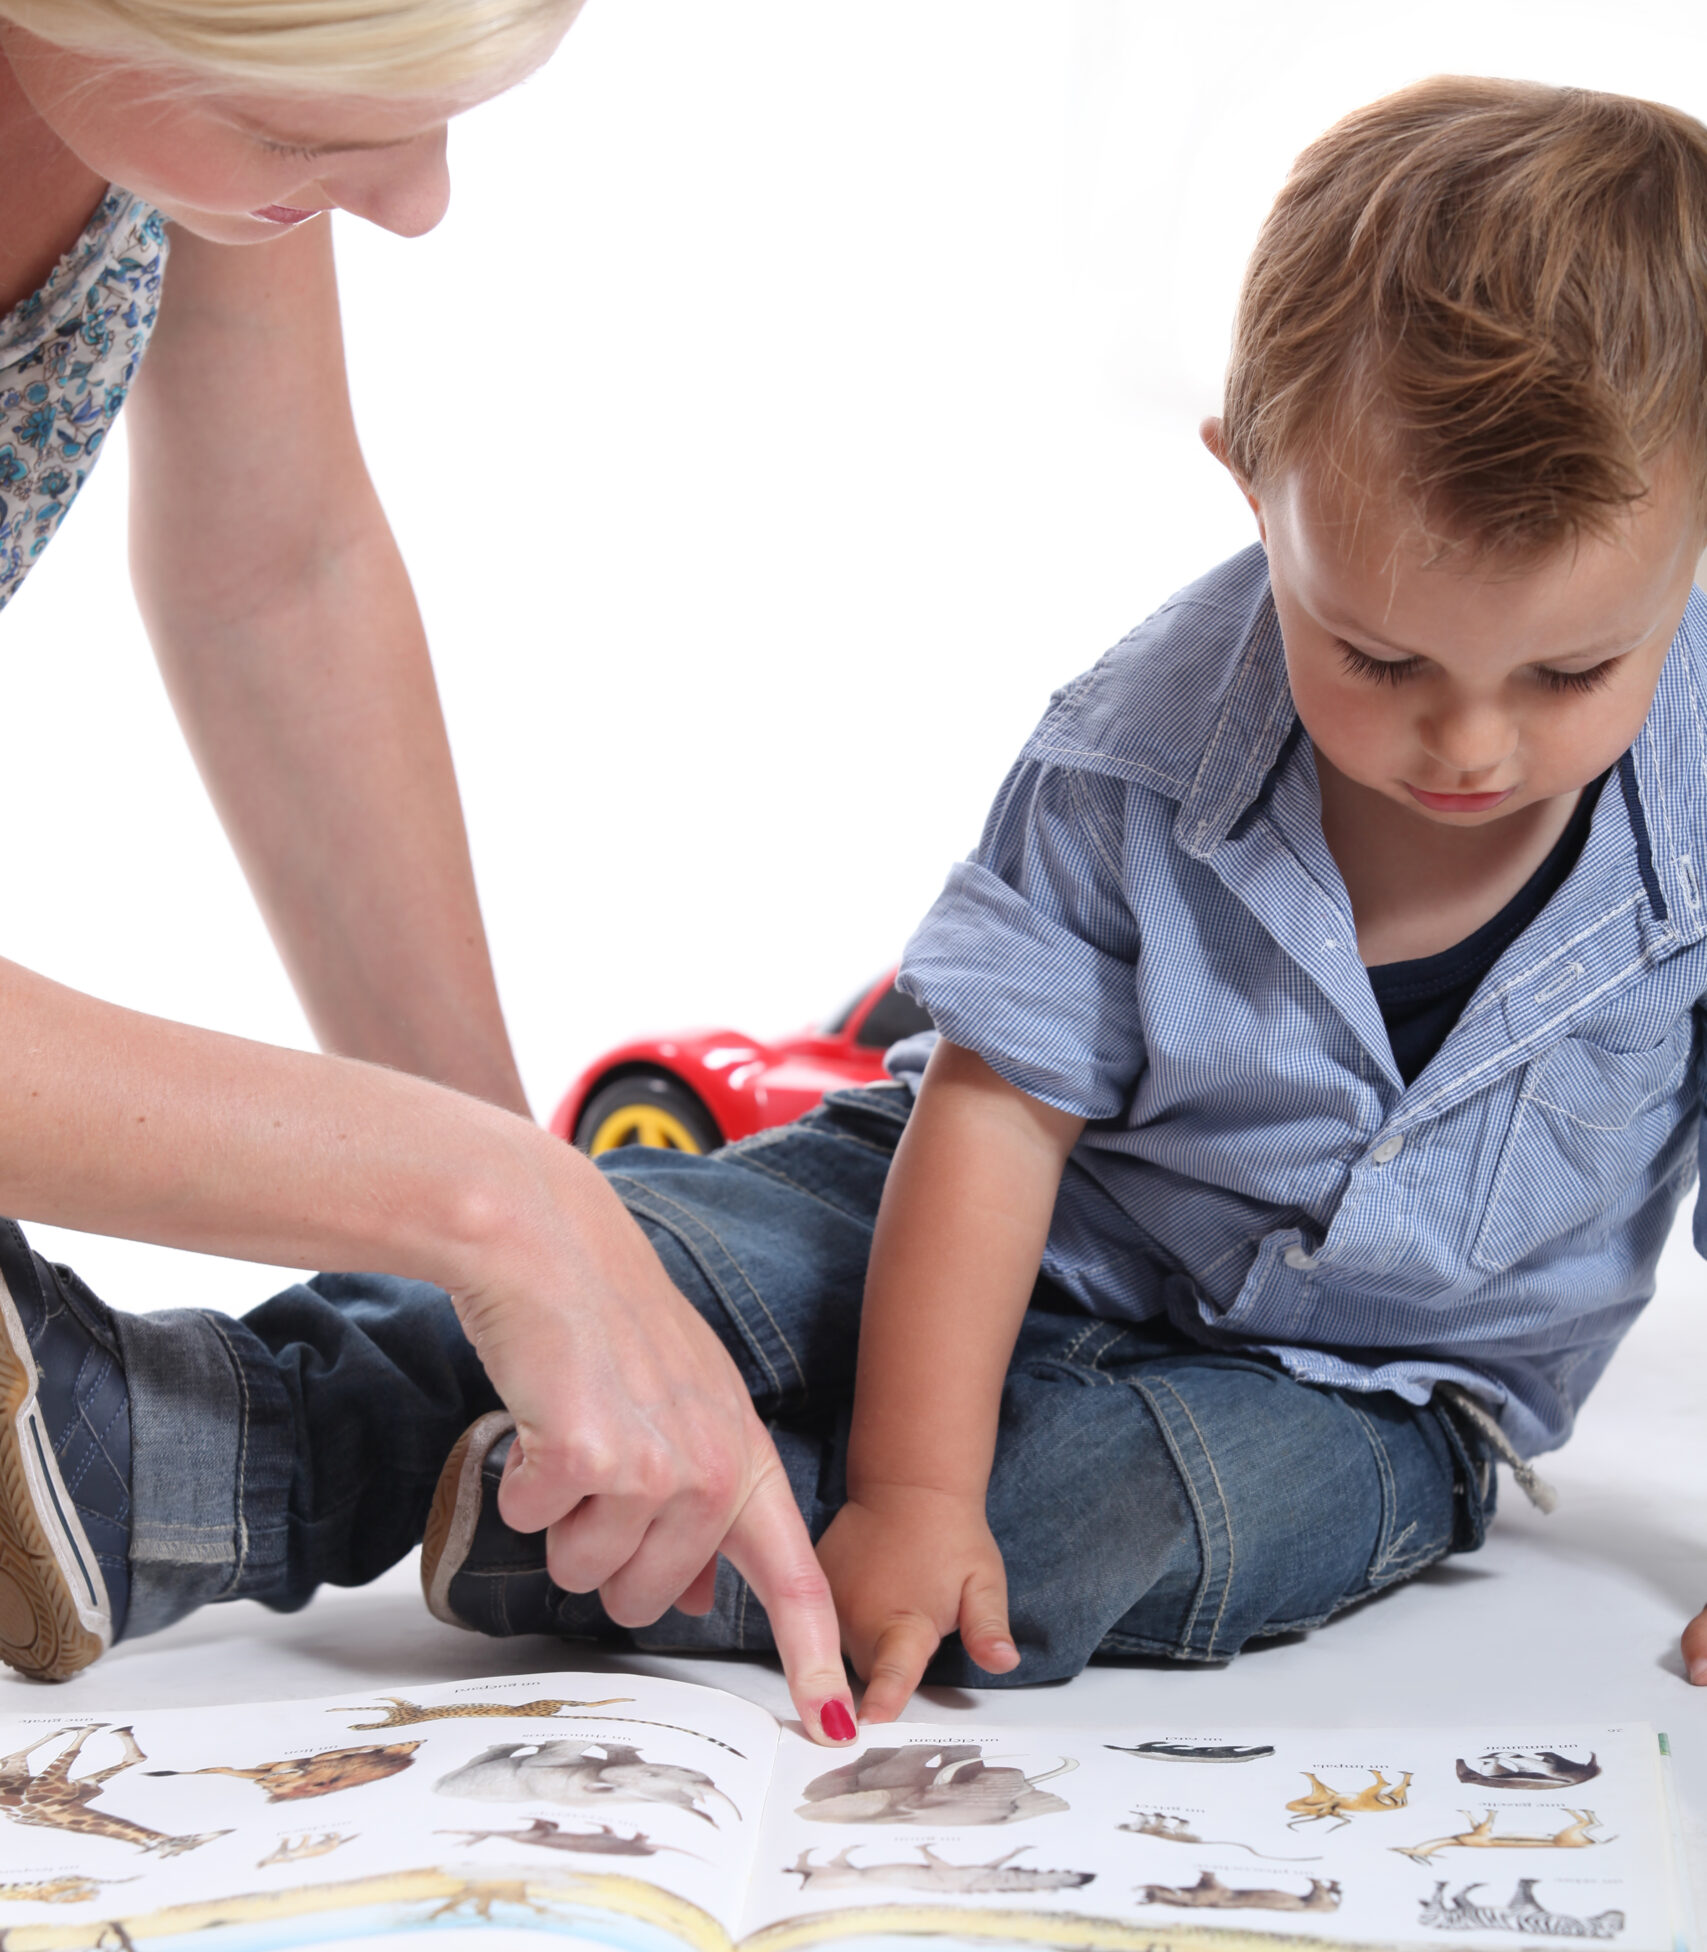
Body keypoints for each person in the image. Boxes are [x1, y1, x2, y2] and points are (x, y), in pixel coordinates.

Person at [414, 75, 1707, 1712]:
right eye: (1378, 656)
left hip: (1377, 1394)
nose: (1468, 740)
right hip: (1026, 1226)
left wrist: (944, 1514)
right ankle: (177, 1434)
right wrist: (910, 1489)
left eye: (1571, 670)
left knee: (1110, 1522)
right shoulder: (1133, 761)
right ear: (1257, 487)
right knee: (619, 1263)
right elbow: (994, 1119)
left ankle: (563, 1530)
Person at [0, 0, 856, 1740]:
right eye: (319, 137)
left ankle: (185, 1442)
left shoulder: (145, 87)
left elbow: (278, 571)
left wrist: (530, 1274)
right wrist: (487, 1203)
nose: (422, 205)